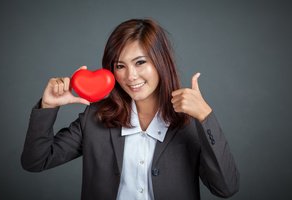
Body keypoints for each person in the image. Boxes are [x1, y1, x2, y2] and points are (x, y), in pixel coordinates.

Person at [21, 18, 239, 200]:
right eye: (120, 66)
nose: (130, 76)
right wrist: (47, 106)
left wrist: (205, 117)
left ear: (160, 62)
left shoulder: (190, 122)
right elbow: (36, 161)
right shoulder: (95, 118)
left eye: (140, 62)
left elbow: (226, 188)